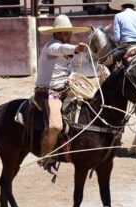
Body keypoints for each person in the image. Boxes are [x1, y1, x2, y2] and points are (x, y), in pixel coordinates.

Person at [35, 14, 89, 175]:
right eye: (65, 33)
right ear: (56, 34)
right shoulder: (51, 47)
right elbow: (61, 49)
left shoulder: (63, 48)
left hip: (65, 89)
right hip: (48, 93)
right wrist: (75, 48)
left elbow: (67, 69)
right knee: (56, 126)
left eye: (69, 33)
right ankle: (46, 158)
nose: (68, 35)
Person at [107, 0, 136, 64]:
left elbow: (117, 38)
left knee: (108, 62)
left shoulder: (118, 16)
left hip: (126, 48)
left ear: (122, 7)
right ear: (134, 7)